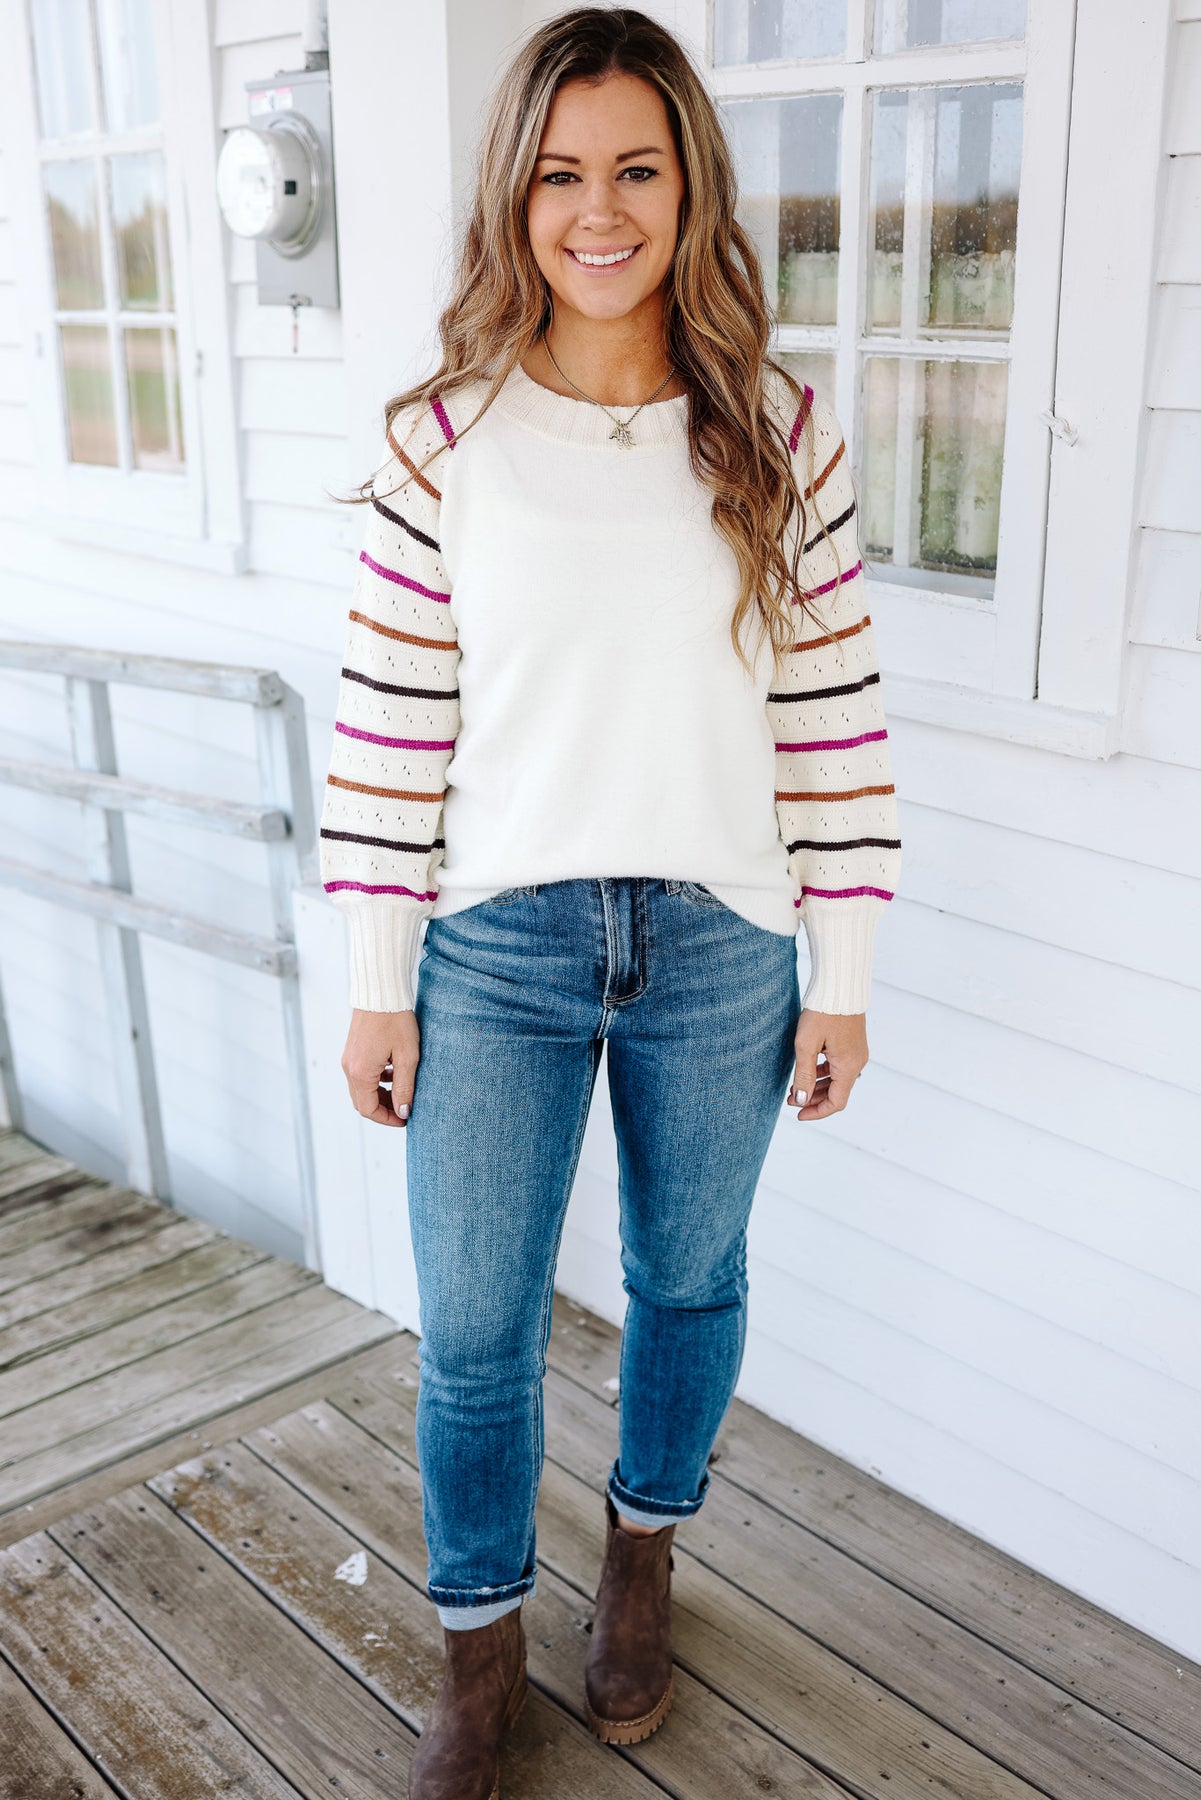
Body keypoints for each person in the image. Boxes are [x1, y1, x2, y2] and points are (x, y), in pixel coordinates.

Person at [319, 9, 901, 1797]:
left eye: (635, 168)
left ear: (688, 188)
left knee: (686, 1281)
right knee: (474, 1334)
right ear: (515, 196)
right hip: (492, 948)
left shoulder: (779, 434)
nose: (598, 209)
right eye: (560, 173)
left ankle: (641, 1558)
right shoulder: (444, 439)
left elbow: (830, 721)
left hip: (723, 945)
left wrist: (839, 973)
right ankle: (478, 1645)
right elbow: (390, 727)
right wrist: (379, 975)